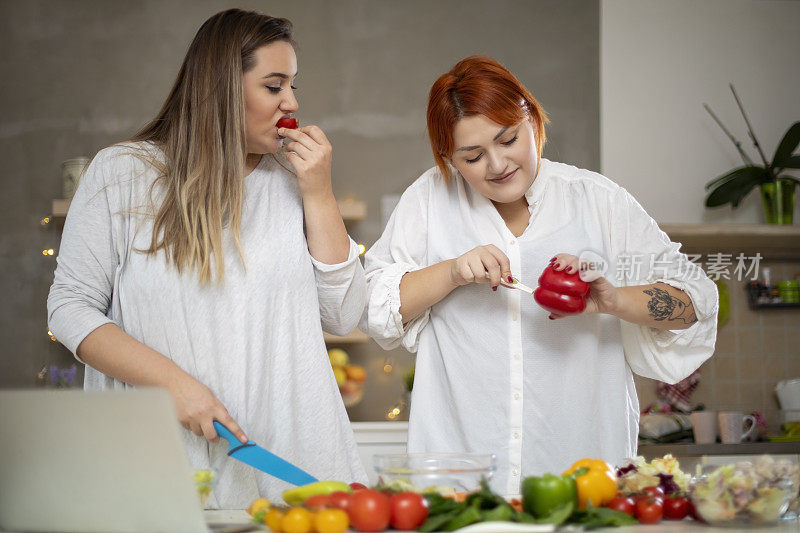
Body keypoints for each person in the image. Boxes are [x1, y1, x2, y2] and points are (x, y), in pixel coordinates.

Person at [47, 9, 367, 507]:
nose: (292, 104)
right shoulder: (123, 173)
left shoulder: (294, 184)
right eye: (274, 86)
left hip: (293, 472)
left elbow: (343, 313)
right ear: (220, 87)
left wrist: (320, 194)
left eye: (293, 86)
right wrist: (173, 385)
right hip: (157, 468)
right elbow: (70, 307)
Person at [361, 56, 717, 495]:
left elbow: (693, 306)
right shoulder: (429, 201)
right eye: (472, 157)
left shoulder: (597, 201)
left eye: (507, 139)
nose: (497, 165)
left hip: (585, 478)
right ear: (449, 159)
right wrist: (451, 272)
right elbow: (376, 305)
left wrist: (611, 300)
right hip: (459, 481)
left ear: (529, 116)